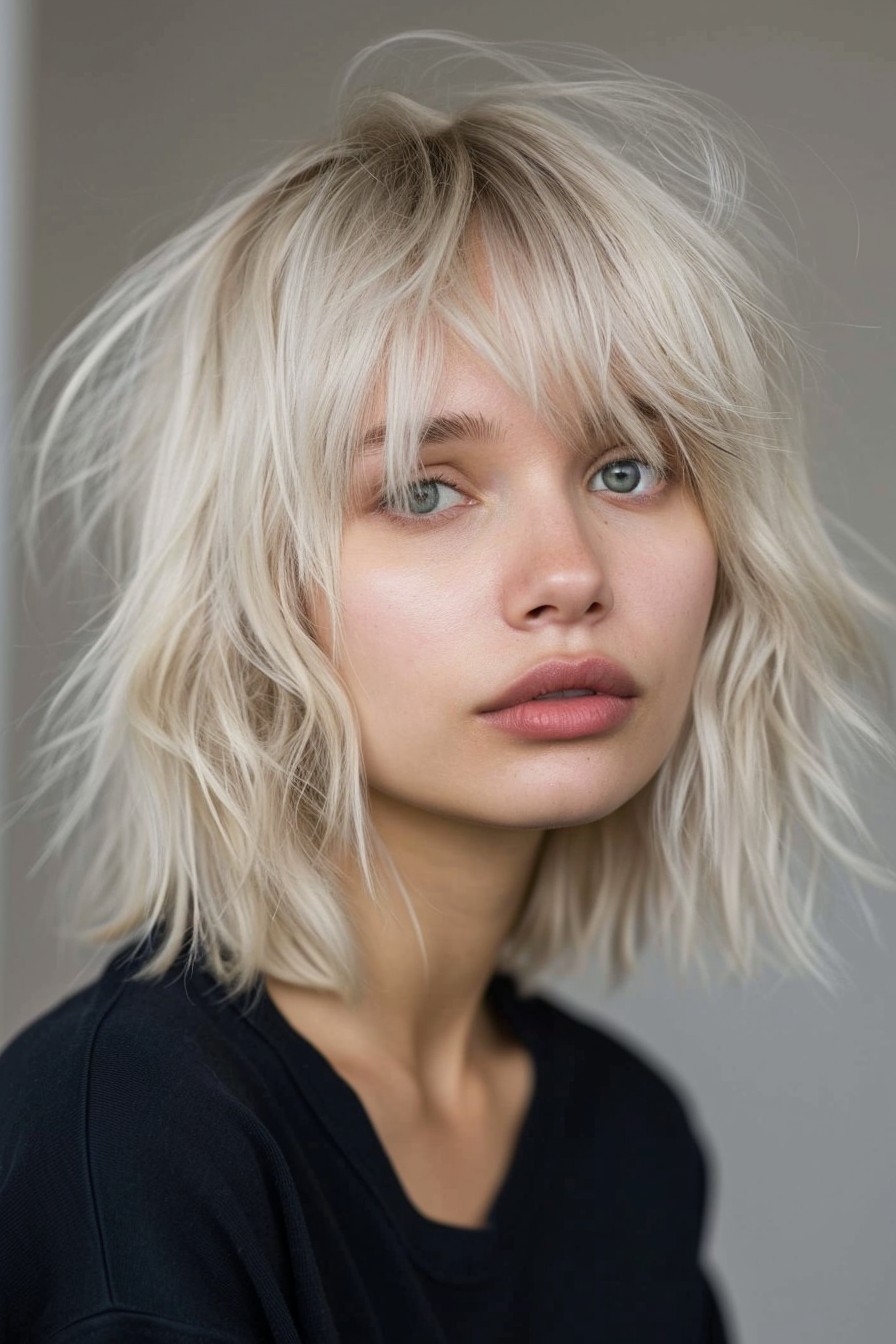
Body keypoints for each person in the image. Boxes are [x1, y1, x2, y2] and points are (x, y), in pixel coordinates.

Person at [2, 30, 892, 1344]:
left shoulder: (627, 1145)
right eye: (426, 489)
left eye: (630, 468)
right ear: (262, 585)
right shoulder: (133, 1138)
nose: (568, 573)